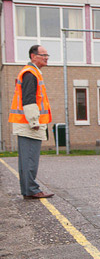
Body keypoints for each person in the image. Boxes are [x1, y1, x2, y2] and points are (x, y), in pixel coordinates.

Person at [9, 45, 54, 199]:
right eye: (43, 55)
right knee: (30, 159)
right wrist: (34, 121)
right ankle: (32, 190)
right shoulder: (30, 73)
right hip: (29, 124)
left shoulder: (31, 73)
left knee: (26, 160)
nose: (46, 57)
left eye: (47, 55)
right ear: (33, 56)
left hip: (25, 123)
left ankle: (28, 190)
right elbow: (29, 100)